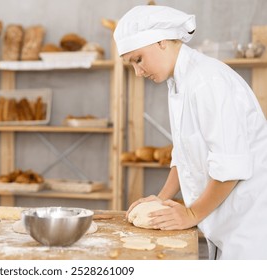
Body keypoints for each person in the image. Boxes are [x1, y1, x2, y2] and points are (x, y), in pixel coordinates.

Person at [113, 5, 267, 260]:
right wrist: (161, 199)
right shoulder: (180, 82)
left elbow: (231, 166)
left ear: (161, 41)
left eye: (138, 60)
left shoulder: (207, 81)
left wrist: (192, 214)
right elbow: (185, 154)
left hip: (252, 226)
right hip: (227, 223)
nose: (138, 73)